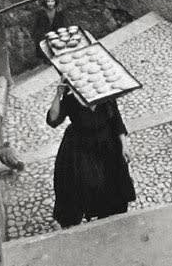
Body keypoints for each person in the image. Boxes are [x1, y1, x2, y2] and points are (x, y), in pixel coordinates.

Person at [46, 81, 135, 227]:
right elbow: (53, 119)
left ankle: (108, 215)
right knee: (85, 183)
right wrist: (58, 95)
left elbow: (116, 121)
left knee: (112, 181)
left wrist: (124, 146)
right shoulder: (71, 99)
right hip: (81, 145)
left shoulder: (105, 95)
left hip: (107, 143)